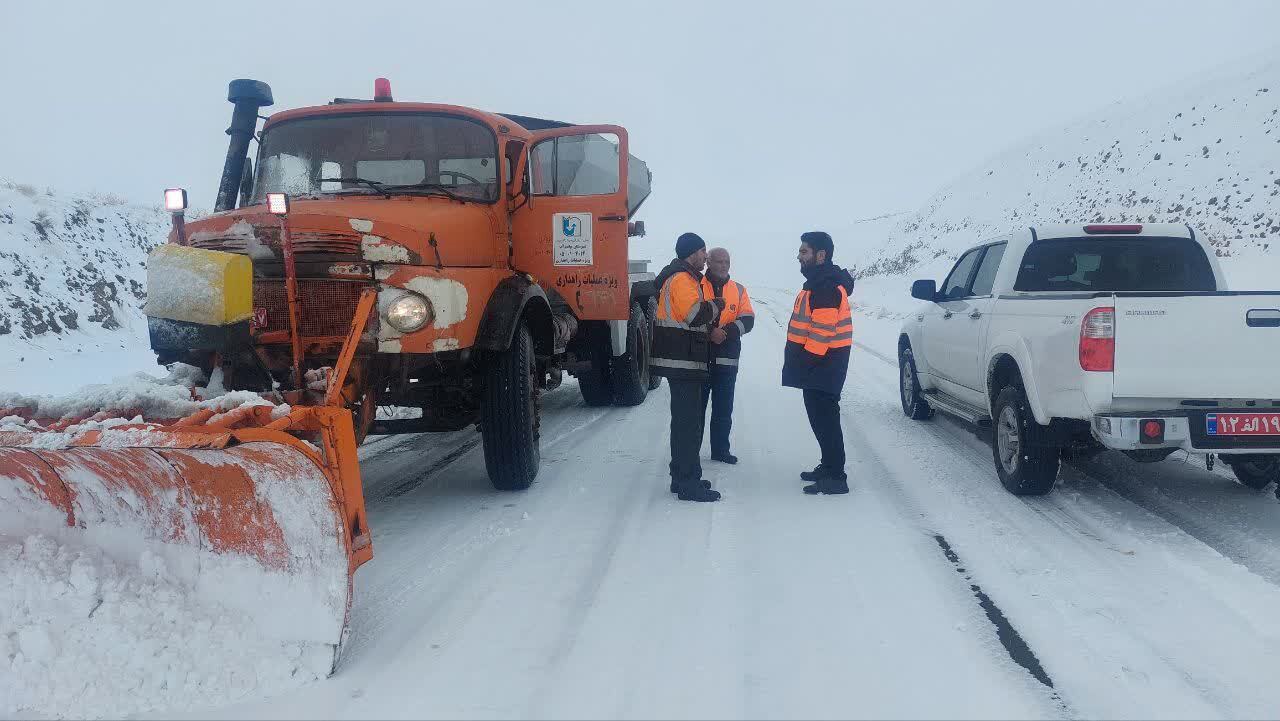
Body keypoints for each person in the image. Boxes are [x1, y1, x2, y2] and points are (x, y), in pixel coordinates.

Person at [651, 232, 725, 502]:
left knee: (687, 423)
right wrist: (716, 305)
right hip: (682, 361)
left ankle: (684, 475)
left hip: (684, 361)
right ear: (691, 253)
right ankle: (687, 483)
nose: (706, 257)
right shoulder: (682, 279)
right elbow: (695, 315)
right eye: (703, 251)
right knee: (687, 424)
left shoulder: (683, 278)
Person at [781, 231, 856, 495]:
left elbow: (822, 331)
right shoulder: (820, 282)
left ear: (820, 255)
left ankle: (836, 476)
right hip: (822, 364)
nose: (799, 256)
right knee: (820, 418)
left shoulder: (824, 285)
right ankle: (828, 465)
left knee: (826, 419)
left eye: (804, 252)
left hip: (824, 364)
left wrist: (806, 363)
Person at [700, 247, 754, 465]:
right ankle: (690, 451)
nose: (724, 266)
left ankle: (721, 451)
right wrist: (709, 332)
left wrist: (726, 332)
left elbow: (748, 319)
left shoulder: (739, 290)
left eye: (727, 262)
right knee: (695, 412)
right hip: (700, 360)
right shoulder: (696, 285)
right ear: (708, 263)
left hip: (727, 360)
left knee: (723, 410)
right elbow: (688, 314)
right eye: (719, 261)